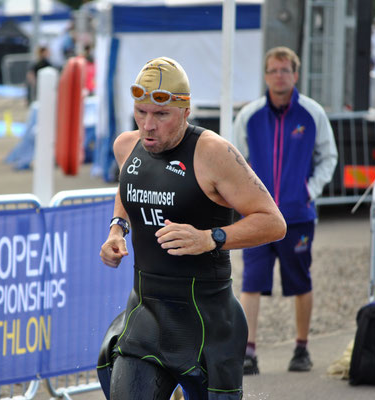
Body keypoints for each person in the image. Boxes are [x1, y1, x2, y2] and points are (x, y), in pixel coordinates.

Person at [97, 56, 286, 399]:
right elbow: (128, 186)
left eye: (161, 115)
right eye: (141, 112)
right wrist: (117, 229)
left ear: (185, 111)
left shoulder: (212, 153)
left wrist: (210, 238)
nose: (148, 125)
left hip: (206, 321)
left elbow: (273, 222)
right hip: (147, 312)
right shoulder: (127, 146)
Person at [232, 46, 338, 375]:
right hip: (256, 219)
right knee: (251, 284)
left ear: (295, 74)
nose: (279, 76)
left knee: (300, 282)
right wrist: (242, 200)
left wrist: (310, 190)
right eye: (273, 70)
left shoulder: (312, 114)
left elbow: (328, 157)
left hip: (297, 217)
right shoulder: (249, 116)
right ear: (265, 75)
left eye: (285, 70)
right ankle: (248, 352)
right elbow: (234, 161)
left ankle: (301, 349)